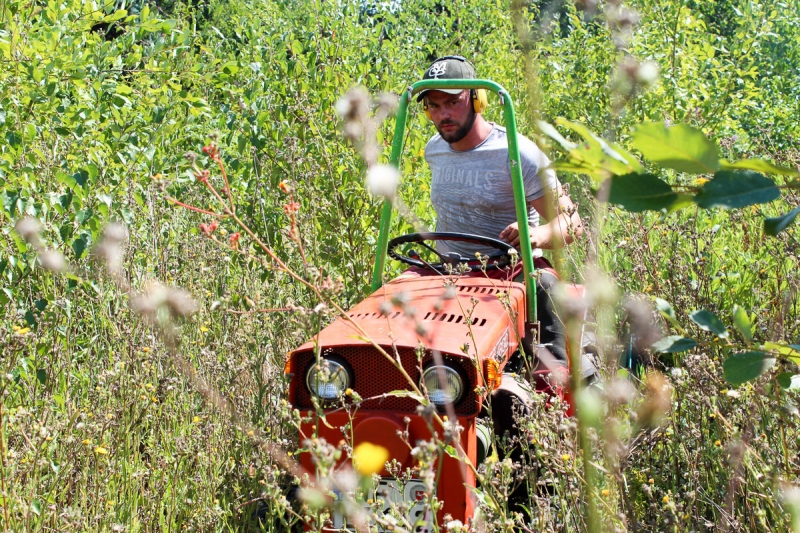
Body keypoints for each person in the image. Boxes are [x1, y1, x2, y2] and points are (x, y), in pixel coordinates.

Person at [418, 55, 583, 509]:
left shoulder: (518, 151)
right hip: (450, 271)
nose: (442, 115)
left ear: (475, 98)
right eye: (432, 106)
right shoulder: (435, 149)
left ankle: (551, 426)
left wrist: (535, 236)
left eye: (450, 102)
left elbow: (570, 222)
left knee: (546, 290)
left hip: (511, 270)